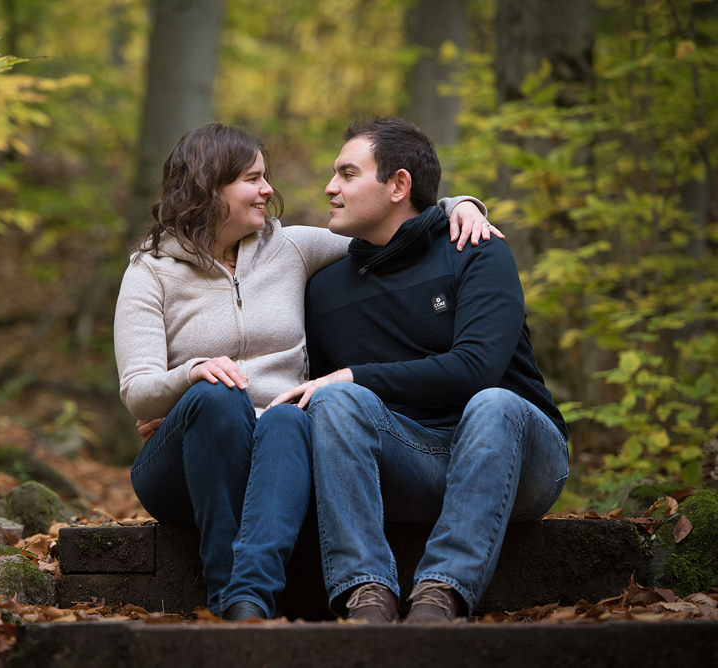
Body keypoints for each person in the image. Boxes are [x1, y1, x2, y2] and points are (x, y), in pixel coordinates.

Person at [113, 123, 496, 621]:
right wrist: (191, 375)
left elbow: (395, 229)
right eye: (253, 179)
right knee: (216, 395)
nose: (267, 190)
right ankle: (225, 589)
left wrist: (458, 205)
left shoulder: (292, 248)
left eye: (265, 177)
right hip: (185, 464)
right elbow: (138, 392)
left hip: (280, 452)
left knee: (289, 417)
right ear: (208, 187)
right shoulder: (150, 271)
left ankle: (249, 603)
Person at [271, 117, 569, 624]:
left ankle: (440, 593)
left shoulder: (476, 248)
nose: (329, 187)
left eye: (347, 173)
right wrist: (180, 405)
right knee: (334, 400)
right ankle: (366, 593)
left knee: (492, 403)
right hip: (409, 464)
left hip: (518, 461)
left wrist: (354, 375)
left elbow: (476, 368)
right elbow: (301, 389)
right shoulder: (323, 289)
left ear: (398, 185)